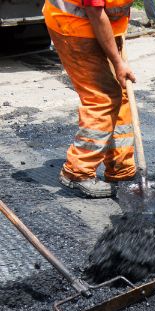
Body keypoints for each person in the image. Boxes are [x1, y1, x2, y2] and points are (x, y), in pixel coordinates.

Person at [43, 0, 136, 198]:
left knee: (121, 91)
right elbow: (95, 11)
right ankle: (77, 172)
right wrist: (118, 62)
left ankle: (120, 167)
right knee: (102, 98)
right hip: (75, 27)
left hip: (107, 28)